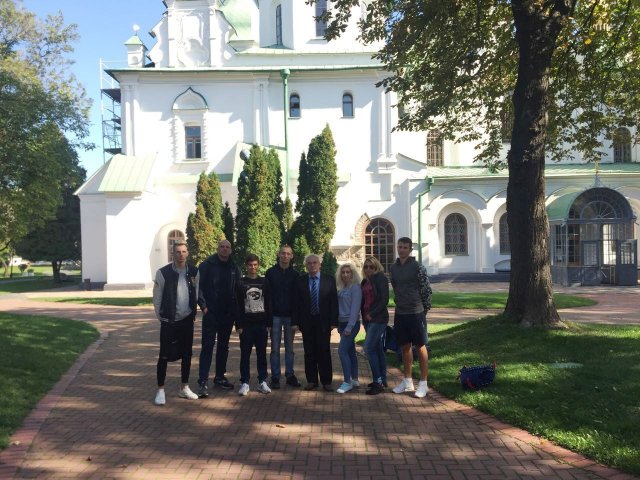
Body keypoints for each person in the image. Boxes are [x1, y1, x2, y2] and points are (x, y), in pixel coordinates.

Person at [152, 242, 200, 405]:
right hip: (169, 320)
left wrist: (193, 311)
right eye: (178, 252)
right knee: (164, 355)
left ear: (188, 253)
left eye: (184, 251)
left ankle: (184, 387)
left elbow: (196, 292)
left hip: (187, 320)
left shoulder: (193, 271)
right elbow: (157, 296)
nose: (181, 255)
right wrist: (161, 315)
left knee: (187, 354)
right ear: (173, 254)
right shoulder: (163, 273)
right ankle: (160, 390)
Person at [196, 239, 242, 397]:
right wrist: (204, 307)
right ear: (218, 248)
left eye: (227, 247)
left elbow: (237, 290)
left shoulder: (234, 267)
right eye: (222, 246)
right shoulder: (207, 265)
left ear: (231, 250)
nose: (224, 249)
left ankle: (220, 377)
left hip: (227, 314)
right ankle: (203, 380)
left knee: (223, 347)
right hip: (211, 314)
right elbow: (199, 287)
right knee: (207, 347)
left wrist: (235, 312)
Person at [390, 237, 432, 399]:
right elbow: (395, 287)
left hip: (416, 312)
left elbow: (426, 289)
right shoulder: (393, 268)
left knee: (420, 346)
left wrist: (424, 309)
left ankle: (423, 383)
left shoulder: (418, 267)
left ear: (410, 250)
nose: (401, 250)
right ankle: (407, 381)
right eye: (399, 247)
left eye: (405, 247)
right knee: (405, 346)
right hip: (400, 312)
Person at [291, 254, 338, 391]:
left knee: (324, 351)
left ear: (319, 264)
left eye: (314, 262)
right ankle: (311, 381)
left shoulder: (329, 280)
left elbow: (333, 302)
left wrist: (334, 321)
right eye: (309, 263)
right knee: (309, 352)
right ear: (306, 265)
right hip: (307, 321)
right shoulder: (300, 281)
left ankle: (326, 381)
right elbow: (296, 303)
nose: (312, 265)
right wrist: (295, 322)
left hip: (324, 321)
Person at [235, 254, 272, 396]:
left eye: (255, 264)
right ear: (246, 266)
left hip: (261, 324)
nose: (253, 267)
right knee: (245, 354)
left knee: (262, 354)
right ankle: (244, 382)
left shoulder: (264, 282)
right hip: (246, 325)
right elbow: (237, 304)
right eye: (250, 265)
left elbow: (269, 302)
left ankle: (262, 381)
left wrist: (269, 322)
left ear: (258, 265)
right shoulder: (240, 283)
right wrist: (238, 324)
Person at [265, 245, 301, 389]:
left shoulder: (295, 275)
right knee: (274, 349)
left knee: (289, 349)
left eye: (288, 254)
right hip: (274, 316)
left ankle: (290, 375)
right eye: (283, 253)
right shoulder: (270, 273)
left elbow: (297, 299)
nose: (285, 256)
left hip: (289, 317)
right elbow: (267, 297)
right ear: (279, 255)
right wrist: (268, 318)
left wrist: (296, 319)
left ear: (291, 256)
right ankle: (275, 377)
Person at [360, 256, 390, 395]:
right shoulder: (365, 281)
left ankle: (378, 382)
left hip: (378, 319)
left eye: (371, 266)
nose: (368, 269)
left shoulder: (381, 278)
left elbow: (384, 299)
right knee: (377, 349)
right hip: (367, 320)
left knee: (368, 348)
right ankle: (382, 379)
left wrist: (372, 314)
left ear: (376, 267)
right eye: (366, 267)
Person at [335, 263, 362, 394]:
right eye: (343, 272)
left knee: (342, 351)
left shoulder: (355, 288)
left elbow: (355, 310)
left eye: (348, 272)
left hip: (351, 324)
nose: (345, 274)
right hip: (342, 323)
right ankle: (355, 379)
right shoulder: (342, 288)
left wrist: (349, 327)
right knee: (350, 352)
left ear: (352, 274)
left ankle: (347, 382)